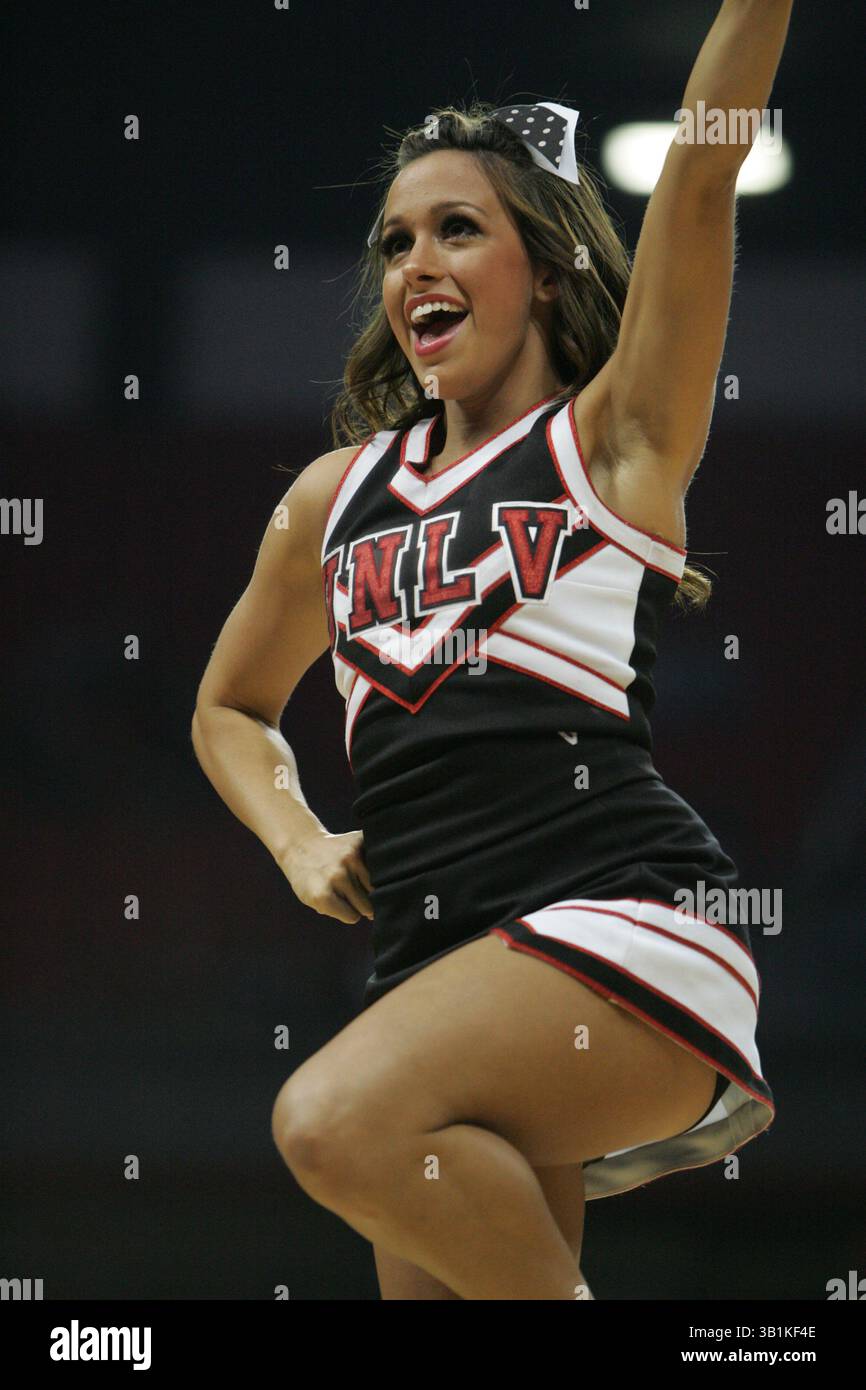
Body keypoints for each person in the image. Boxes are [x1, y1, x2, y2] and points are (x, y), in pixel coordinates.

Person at [191, 1, 793, 1300]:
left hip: (619, 923)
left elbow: (697, 175)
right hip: (435, 965)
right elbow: (230, 706)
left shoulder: (611, 440)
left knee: (328, 1118)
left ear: (549, 265)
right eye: (395, 238)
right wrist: (296, 836)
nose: (416, 261)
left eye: (459, 228)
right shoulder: (330, 498)